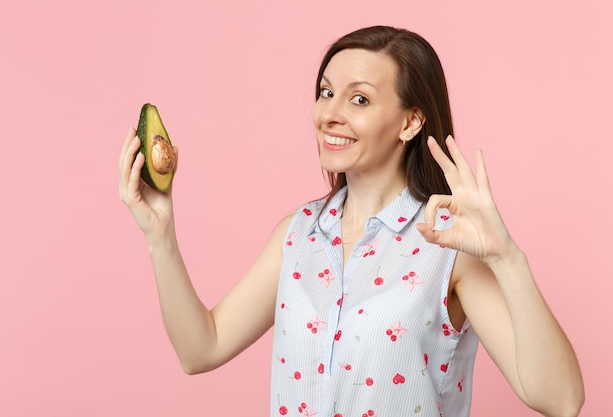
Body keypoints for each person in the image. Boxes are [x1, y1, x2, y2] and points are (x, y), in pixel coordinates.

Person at [118, 26, 584, 417]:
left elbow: (561, 400)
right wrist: (160, 236)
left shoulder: (450, 242)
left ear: (410, 122)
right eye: (326, 93)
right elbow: (201, 349)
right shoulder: (297, 233)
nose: (330, 115)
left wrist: (506, 256)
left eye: (359, 99)